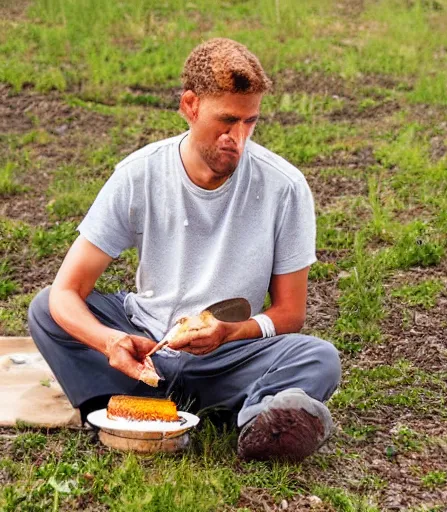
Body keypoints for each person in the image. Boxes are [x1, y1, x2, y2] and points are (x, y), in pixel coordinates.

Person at [28, 38, 341, 462]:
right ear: (190, 106)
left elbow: (290, 312)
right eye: (227, 121)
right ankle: (141, 408)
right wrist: (110, 342)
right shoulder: (139, 174)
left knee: (319, 356)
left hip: (228, 353)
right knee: (46, 309)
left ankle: (261, 425)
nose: (238, 138)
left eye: (250, 122)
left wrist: (231, 332)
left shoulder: (284, 187)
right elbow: (67, 290)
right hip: (146, 346)